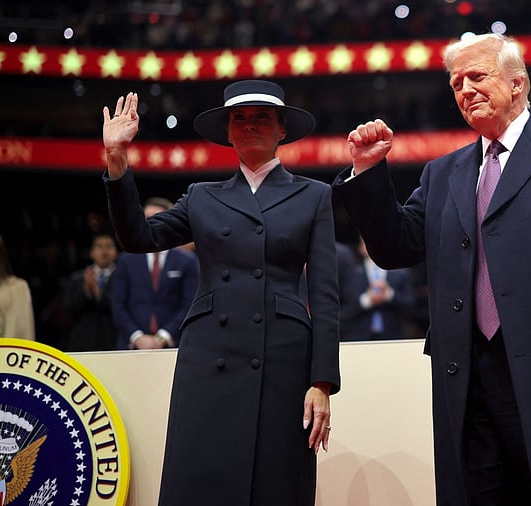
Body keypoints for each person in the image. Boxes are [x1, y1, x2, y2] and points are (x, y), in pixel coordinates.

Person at [334, 33, 531, 505]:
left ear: (517, 82)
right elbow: (396, 248)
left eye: (477, 76)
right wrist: (368, 173)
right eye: (456, 84)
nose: (465, 90)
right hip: (469, 375)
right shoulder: (443, 172)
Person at [101, 79, 339, 505]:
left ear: (282, 129)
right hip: (209, 357)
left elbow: (324, 296)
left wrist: (321, 382)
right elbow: (138, 237)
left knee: (276, 481)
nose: (250, 125)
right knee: (200, 479)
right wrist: (118, 159)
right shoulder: (201, 197)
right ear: (228, 133)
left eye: (262, 117)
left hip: (282, 360)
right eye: (239, 118)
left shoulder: (314, 196)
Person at [110, 197, 199, 350]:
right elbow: (118, 305)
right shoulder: (126, 260)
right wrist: (137, 337)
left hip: (173, 346)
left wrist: (162, 337)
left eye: (156, 218)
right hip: (131, 346)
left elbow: (189, 304)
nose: (149, 224)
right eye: (145, 219)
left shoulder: (187, 261)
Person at [339, 236, 418, 341]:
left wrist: (390, 295)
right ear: (360, 248)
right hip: (360, 339)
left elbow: (412, 307)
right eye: (367, 242)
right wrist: (366, 300)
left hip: (394, 338)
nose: (374, 245)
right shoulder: (352, 275)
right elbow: (343, 311)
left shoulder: (401, 274)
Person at [60, 231, 119, 351]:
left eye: (109, 246)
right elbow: (68, 309)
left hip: (113, 342)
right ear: (91, 253)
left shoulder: (123, 277)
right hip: (82, 343)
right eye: (99, 246)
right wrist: (86, 290)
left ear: (116, 252)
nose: (104, 251)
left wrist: (98, 293)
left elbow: (122, 308)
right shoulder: (77, 278)